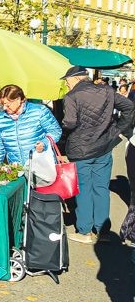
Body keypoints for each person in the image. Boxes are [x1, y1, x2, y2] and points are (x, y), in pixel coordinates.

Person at [60, 66, 134, 243]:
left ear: (76, 78)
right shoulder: (106, 90)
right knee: (101, 188)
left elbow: (69, 123)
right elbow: (129, 106)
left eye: (67, 80)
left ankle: (85, 231)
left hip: (81, 149)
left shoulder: (71, 96)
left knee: (84, 189)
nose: (66, 84)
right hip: (104, 147)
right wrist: (119, 130)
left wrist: (63, 129)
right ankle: (103, 231)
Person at [0, 85, 62, 166]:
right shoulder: (1, 118)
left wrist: (44, 143)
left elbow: (55, 131)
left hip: (42, 166)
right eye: (1, 105)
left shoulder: (39, 111)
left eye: (7, 105)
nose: (4, 108)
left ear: (18, 99)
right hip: (17, 168)